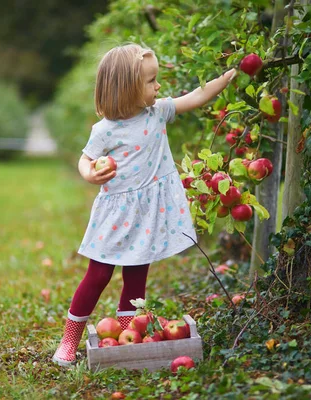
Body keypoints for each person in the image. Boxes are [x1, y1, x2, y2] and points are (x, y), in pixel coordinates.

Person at [52, 43, 236, 366]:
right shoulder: (105, 129)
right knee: (97, 276)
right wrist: (91, 175)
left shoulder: (158, 111)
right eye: (151, 81)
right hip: (115, 215)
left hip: (146, 214)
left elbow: (193, 98)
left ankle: (128, 334)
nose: (158, 86)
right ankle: (69, 340)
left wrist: (228, 76)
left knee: (136, 279)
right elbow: (86, 160)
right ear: (127, 88)